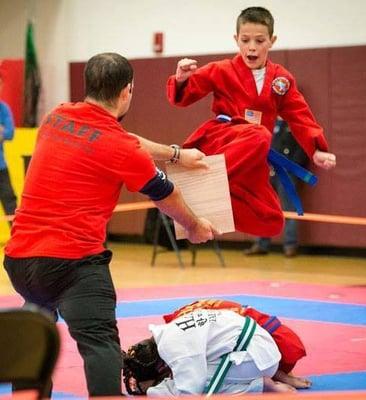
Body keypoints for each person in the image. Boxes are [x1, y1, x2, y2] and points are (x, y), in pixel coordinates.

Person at [3, 52, 218, 397]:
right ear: (126, 92)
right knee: (99, 342)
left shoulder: (56, 117)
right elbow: (166, 194)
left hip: (20, 262)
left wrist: (176, 154)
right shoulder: (120, 147)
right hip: (70, 262)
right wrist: (195, 227)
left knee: (33, 343)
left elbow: (127, 141)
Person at [167, 6, 336, 239]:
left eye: (259, 40)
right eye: (245, 40)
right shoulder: (221, 69)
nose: (252, 47)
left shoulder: (281, 79)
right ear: (236, 40)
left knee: (272, 221)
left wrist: (316, 149)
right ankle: (203, 181)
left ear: (272, 40)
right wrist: (181, 80)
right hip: (224, 140)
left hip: (253, 158)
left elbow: (300, 115)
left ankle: (205, 208)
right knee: (260, 134)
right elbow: (183, 97)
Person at [123, 308, 298, 396]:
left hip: (255, 357)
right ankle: (258, 381)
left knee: (204, 388)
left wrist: (153, 392)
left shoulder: (174, 348)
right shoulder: (166, 332)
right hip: (254, 348)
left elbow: (190, 392)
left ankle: (258, 387)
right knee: (195, 374)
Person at [244, 118, 308, 257]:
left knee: (289, 209)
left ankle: (290, 245)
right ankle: (261, 243)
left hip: (286, 173)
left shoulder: (295, 123)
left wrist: (291, 167)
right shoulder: (270, 122)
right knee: (264, 208)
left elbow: (303, 148)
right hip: (268, 171)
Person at [0, 72, 17, 225]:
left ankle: (19, 243)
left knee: (10, 202)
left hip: (1, 167)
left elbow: (10, 133)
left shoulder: (3, 109)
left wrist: (3, 132)